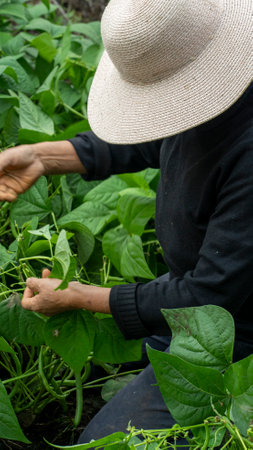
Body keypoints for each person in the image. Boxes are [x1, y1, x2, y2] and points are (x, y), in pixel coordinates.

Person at [0, 0, 252, 446]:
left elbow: (209, 297)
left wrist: (79, 297)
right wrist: (42, 156)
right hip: (197, 314)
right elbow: (152, 139)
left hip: (236, 336)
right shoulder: (220, 96)